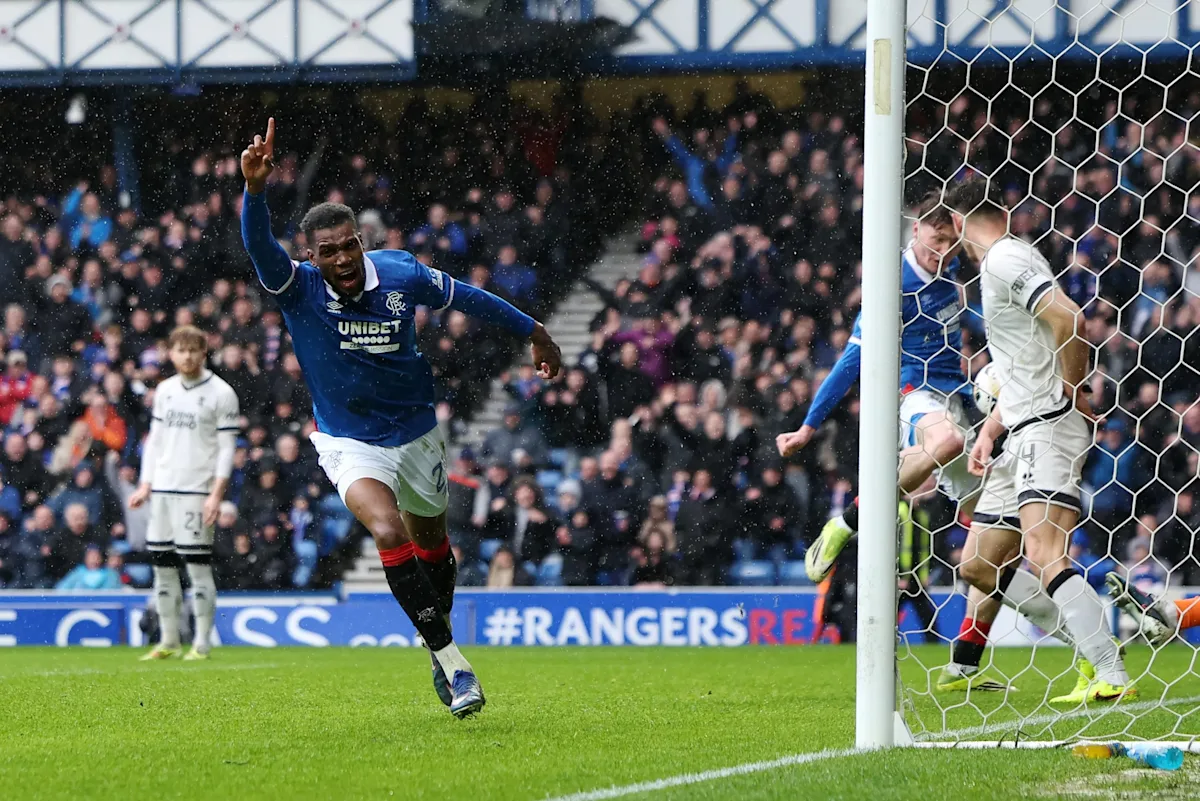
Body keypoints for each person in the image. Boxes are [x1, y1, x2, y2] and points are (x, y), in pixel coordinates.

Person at [239, 118, 562, 719]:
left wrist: (534, 330)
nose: (340, 258)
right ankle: (455, 664)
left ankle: (435, 642)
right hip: (348, 441)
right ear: (311, 256)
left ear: (361, 241)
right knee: (389, 531)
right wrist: (255, 190)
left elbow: (468, 296)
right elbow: (260, 248)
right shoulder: (297, 288)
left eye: (348, 246)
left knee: (434, 548)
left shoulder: (401, 273)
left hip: (416, 434)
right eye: (327, 251)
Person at [776, 195, 1015, 692]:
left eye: (951, 243)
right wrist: (808, 427)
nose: (943, 251)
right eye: (936, 241)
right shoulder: (892, 286)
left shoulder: (951, 274)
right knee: (946, 438)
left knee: (1000, 544)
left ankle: (966, 664)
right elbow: (851, 360)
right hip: (912, 394)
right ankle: (847, 522)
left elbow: (961, 324)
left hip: (957, 397)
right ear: (915, 231)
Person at [947, 176, 1133, 704]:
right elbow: (1027, 359)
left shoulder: (1003, 260)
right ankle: (1092, 646)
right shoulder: (1009, 258)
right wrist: (991, 429)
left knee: (1045, 553)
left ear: (958, 223)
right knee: (980, 564)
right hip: (1019, 428)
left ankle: (1110, 672)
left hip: (1047, 424)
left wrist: (1073, 389)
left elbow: (1069, 319)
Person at [129, 325, 240, 662]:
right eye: (181, 350)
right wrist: (145, 484)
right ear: (171, 354)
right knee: (162, 568)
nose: (187, 356)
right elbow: (155, 441)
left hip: (196, 490)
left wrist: (216, 494)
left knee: (197, 568)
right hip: (163, 489)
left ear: (204, 353)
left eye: (193, 350)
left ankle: (202, 642)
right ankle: (168, 641)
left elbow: (227, 448)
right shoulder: (164, 390)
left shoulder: (222, 393)